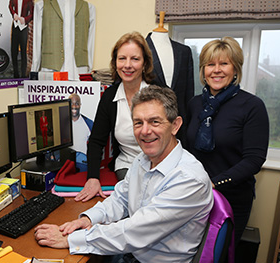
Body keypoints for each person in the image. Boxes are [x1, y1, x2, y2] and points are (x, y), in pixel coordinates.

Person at [34, 85, 214, 263]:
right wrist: (89, 219)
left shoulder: (188, 179)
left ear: (175, 125)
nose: (144, 131)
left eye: (155, 121)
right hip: (132, 253)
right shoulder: (143, 159)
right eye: (138, 123)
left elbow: (136, 231)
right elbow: (121, 198)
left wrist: (69, 240)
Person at [185, 37, 269, 252]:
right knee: (188, 252)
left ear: (235, 69)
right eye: (210, 64)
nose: (216, 70)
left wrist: (214, 183)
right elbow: (185, 149)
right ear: (203, 70)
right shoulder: (195, 104)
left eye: (224, 64)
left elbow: (254, 159)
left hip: (231, 198)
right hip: (193, 195)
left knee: (217, 255)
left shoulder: (252, 106)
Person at [74, 31, 154, 202]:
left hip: (159, 166)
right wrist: (93, 177)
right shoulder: (110, 97)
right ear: (115, 63)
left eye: (135, 59)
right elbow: (96, 141)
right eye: (122, 58)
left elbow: (173, 139)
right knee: (134, 202)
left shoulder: (158, 93)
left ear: (145, 63)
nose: (127, 65)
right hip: (127, 167)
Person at [31, 0, 96, 80]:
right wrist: (34, 70)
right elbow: (37, 40)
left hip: (79, 70)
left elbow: (90, 40)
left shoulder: (89, 8)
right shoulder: (41, 6)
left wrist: (89, 66)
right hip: (50, 69)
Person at [9, 0, 34, 78]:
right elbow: (10, 6)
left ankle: (23, 75)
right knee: (13, 51)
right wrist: (14, 14)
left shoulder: (29, 1)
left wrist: (25, 19)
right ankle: (15, 74)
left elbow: (32, 14)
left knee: (23, 52)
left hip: (24, 28)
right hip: (15, 26)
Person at [69, 93, 93, 171]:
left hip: (83, 163)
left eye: (77, 104)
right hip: (66, 162)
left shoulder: (89, 124)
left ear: (80, 105)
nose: (74, 106)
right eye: (71, 104)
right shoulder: (61, 123)